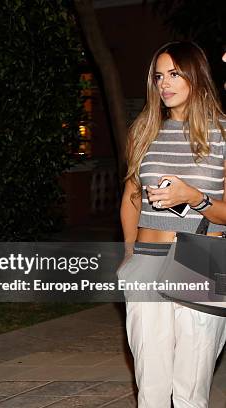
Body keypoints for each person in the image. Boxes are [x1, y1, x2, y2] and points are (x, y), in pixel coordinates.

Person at [119, 41, 226, 407]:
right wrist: (129, 254)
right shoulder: (143, 131)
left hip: (203, 257)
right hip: (148, 257)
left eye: (175, 74)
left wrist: (196, 198)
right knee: (150, 382)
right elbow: (132, 197)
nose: (164, 83)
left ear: (196, 75)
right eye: (159, 76)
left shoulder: (223, 134)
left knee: (190, 384)